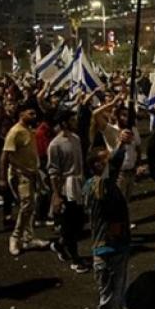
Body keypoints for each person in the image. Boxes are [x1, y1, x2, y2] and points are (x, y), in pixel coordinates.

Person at [87, 139, 132, 309]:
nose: (110, 162)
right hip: (109, 251)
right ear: (97, 165)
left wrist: (121, 145)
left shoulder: (97, 184)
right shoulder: (100, 186)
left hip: (112, 250)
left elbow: (114, 166)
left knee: (115, 300)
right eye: (105, 160)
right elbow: (113, 168)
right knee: (108, 304)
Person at [0, 103, 48, 256]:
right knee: (26, 205)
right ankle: (15, 237)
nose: (34, 117)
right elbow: (5, 156)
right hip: (20, 175)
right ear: (21, 114)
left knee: (31, 206)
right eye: (30, 114)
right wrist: (2, 178)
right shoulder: (15, 132)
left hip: (32, 173)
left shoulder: (29, 130)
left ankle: (28, 237)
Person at [47, 113, 91, 274]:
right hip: (67, 186)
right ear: (64, 123)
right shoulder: (55, 144)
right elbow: (53, 172)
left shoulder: (76, 138)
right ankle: (75, 259)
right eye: (72, 120)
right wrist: (57, 195)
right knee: (70, 222)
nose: (75, 122)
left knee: (79, 222)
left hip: (79, 184)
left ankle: (60, 244)